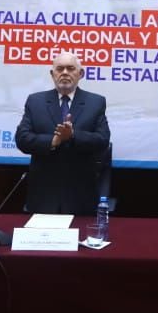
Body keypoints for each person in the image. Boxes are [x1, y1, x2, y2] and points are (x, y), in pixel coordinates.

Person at [15, 51, 110, 215]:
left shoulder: (95, 102)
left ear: (80, 73)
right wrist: (54, 141)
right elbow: (22, 139)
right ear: (52, 74)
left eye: (70, 68)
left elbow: (102, 140)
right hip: (43, 192)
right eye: (60, 69)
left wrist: (73, 135)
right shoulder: (35, 101)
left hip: (81, 193)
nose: (65, 73)